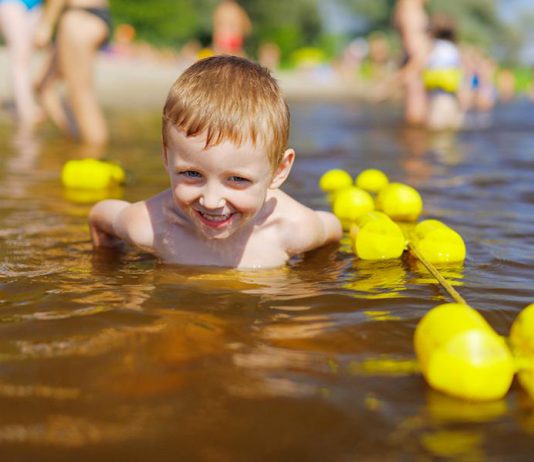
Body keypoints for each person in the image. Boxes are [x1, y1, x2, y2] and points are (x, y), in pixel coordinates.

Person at [88, 56, 342, 268]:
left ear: (279, 170)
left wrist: (310, 281)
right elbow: (100, 216)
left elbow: (333, 230)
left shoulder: (294, 229)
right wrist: (110, 269)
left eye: (237, 179)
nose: (210, 201)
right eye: (191, 174)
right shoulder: (149, 227)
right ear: (167, 157)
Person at [34, 0, 111, 145]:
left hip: (79, 18)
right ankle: (74, 135)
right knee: (44, 85)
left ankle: (95, 155)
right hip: (88, 16)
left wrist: (46, 24)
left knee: (81, 95)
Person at [0, 0, 43, 131]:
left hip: (35, 4)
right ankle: (26, 111)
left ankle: (23, 106)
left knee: (27, 58)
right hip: (10, 2)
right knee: (20, 59)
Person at [422, 14, 464, 130]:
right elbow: (460, 75)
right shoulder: (454, 49)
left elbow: (422, 65)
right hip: (452, 99)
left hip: (437, 98)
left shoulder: (432, 47)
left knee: (436, 137)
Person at [393, 0, 431, 125]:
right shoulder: (411, 11)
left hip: (415, 68)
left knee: (415, 122)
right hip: (415, 70)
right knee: (415, 122)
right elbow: (417, 54)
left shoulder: (409, 9)